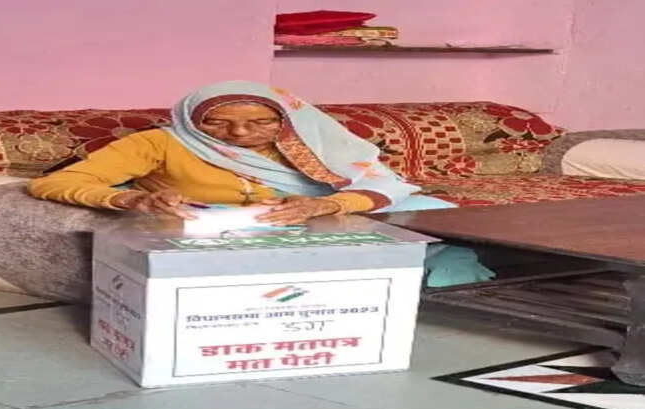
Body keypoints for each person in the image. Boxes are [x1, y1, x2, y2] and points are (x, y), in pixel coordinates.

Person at [28, 81, 493, 285]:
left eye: (260, 123)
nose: (239, 134)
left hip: (320, 215)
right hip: (229, 224)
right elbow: (58, 184)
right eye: (217, 123)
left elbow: (381, 182)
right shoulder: (158, 142)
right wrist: (131, 198)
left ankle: (440, 282)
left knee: (436, 214)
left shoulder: (309, 138)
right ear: (190, 119)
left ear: (284, 119)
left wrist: (324, 206)